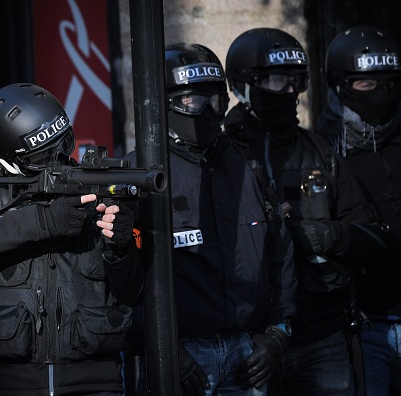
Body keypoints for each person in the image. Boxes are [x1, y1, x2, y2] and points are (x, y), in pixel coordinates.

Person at [0, 82, 144, 396]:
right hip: (7, 382)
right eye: (44, 153)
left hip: (93, 380)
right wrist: (40, 221)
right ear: (10, 156)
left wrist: (122, 245)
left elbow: (131, 290)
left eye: (64, 144)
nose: (59, 157)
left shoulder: (91, 187)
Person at [126, 42, 297, 396]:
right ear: (163, 102)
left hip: (247, 351)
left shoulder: (245, 164)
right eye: (191, 101)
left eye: (215, 101)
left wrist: (278, 333)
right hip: (182, 353)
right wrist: (161, 347)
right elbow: (121, 277)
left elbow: (280, 252)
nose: (205, 112)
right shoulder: (139, 172)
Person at [224, 27, 386, 396]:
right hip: (247, 342)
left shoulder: (319, 150)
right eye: (278, 80)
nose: (291, 92)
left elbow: (372, 234)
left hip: (321, 334)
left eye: (297, 81)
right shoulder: (222, 155)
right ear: (243, 85)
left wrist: (319, 234)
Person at [317, 26, 401, 396]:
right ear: (341, 86)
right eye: (368, 85)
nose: (381, 93)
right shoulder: (321, 150)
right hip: (365, 322)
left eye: (390, 82)